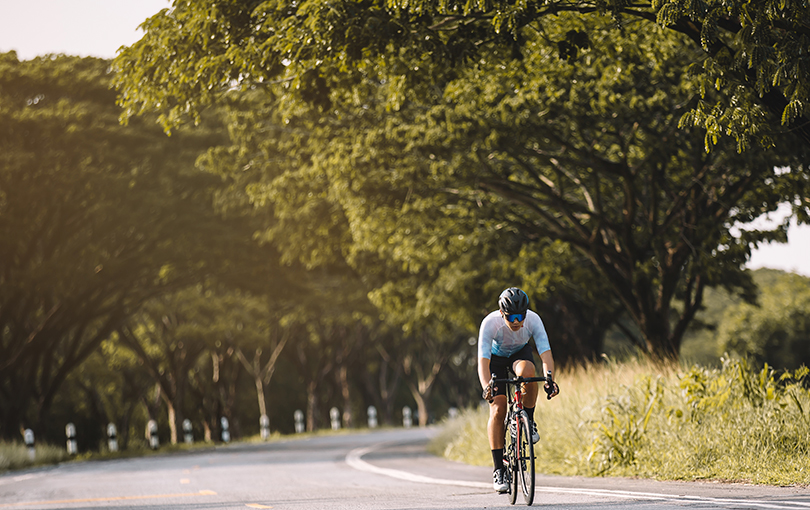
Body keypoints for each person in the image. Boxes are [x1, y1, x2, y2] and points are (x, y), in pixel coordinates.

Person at [478, 287, 559, 493]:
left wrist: (550, 379)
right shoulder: (490, 323)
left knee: (529, 372)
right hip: (495, 360)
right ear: (501, 313)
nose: (516, 321)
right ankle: (499, 470)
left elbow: (545, 353)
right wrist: (487, 387)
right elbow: (483, 363)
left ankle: (528, 421)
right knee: (498, 408)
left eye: (520, 316)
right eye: (511, 316)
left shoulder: (533, 320)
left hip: (518, 354)